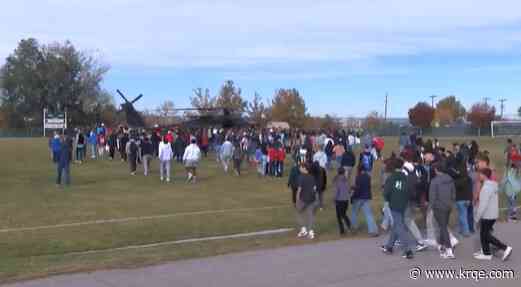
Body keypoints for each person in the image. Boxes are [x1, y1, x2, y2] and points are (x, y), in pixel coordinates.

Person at [474, 168, 513, 261]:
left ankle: (505, 248)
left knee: (485, 235)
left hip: (487, 215)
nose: (479, 176)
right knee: (484, 234)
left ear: (484, 175)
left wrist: (477, 218)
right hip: (493, 214)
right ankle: (486, 252)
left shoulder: (486, 188)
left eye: (480, 174)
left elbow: (483, 205)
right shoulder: (493, 186)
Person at [381, 158, 414, 259]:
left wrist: (387, 199)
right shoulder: (406, 177)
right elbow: (409, 190)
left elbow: (386, 192)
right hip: (404, 203)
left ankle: (408, 250)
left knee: (399, 227)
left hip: (394, 204)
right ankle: (389, 247)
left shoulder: (392, 177)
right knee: (397, 224)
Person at [429, 161, 456, 259]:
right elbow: (453, 192)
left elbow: (432, 196)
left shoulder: (434, 181)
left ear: (436, 170)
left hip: (438, 207)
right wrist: (451, 203)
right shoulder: (450, 179)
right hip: (448, 206)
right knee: (443, 225)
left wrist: (431, 207)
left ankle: (449, 249)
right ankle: (441, 244)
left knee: (443, 226)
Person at [351, 166, 378, 237]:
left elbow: (358, 189)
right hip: (366, 197)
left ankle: (354, 228)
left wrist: (353, 196)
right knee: (369, 214)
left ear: (359, 170)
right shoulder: (368, 177)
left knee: (354, 213)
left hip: (358, 198)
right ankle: (373, 230)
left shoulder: (358, 177)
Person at [296, 163, 319, 239]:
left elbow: (299, 189)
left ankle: (303, 229)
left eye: (300, 167)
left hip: (303, 199)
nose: (299, 169)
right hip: (311, 199)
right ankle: (311, 232)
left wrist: (297, 199)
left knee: (299, 213)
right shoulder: (312, 177)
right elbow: (315, 189)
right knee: (310, 216)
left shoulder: (301, 177)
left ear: (304, 168)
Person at [333, 167, 351, 235]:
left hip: (339, 200)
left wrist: (334, 199)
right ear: (343, 172)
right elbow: (349, 190)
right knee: (343, 214)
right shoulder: (346, 180)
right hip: (346, 200)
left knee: (339, 216)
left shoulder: (337, 180)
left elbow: (336, 191)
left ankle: (342, 230)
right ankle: (348, 226)